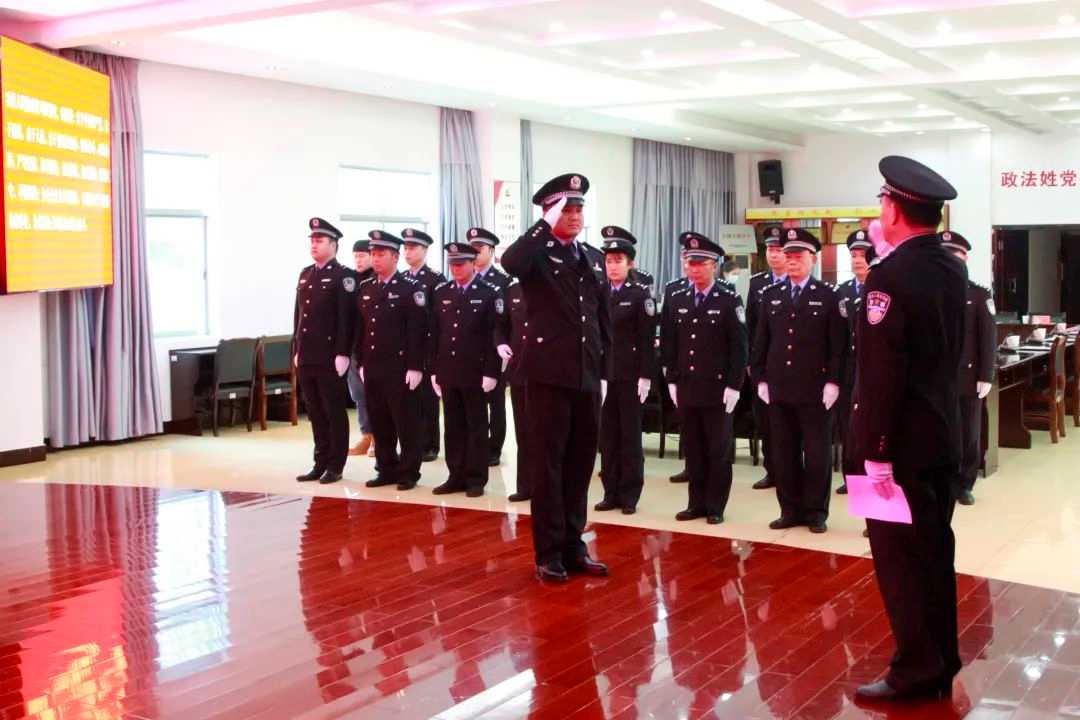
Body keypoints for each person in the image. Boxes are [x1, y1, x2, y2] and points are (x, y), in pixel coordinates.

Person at [850, 156, 966, 703]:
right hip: (939, 435)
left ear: (894, 210)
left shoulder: (890, 276)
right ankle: (941, 661)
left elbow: (883, 374)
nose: (880, 211)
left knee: (902, 565)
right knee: (935, 555)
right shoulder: (949, 266)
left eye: (882, 202)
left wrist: (875, 453)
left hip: (896, 448)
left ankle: (916, 671)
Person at [501, 173, 611, 582]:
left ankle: (573, 545)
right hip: (547, 375)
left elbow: (602, 320)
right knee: (548, 466)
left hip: (586, 374)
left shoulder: (592, 257)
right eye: (566, 209)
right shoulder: (536, 255)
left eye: (579, 208)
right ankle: (548, 553)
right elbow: (510, 262)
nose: (575, 215)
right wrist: (543, 226)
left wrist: (605, 372)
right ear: (549, 212)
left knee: (580, 464)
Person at [752, 228, 844, 534]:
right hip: (779, 389)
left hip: (815, 390)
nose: (792, 261)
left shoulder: (828, 295)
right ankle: (789, 510)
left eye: (798, 256)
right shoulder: (771, 295)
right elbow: (762, 341)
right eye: (788, 255)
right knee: (784, 454)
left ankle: (816, 512)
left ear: (813, 259)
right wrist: (760, 377)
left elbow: (838, 345)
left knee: (817, 455)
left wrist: (834, 382)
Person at [661, 232, 747, 524]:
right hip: (687, 385)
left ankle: (715, 506)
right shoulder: (677, 297)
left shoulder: (728, 299)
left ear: (714, 265)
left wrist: (734, 385)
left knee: (717, 450)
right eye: (690, 263)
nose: (694, 269)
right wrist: (671, 379)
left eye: (701, 263)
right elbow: (670, 342)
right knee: (693, 449)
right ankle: (695, 503)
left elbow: (739, 347)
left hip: (718, 388)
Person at [354, 230, 427, 491]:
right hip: (373, 367)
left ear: (395, 257)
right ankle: (385, 468)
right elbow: (360, 329)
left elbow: (417, 331)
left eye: (380, 254)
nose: (375, 258)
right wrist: (361, 362)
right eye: (373, 254)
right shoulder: (366, 288)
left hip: (400, 367)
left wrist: (416, 366)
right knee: (380, 421)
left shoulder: (410, 288)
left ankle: (409, 472)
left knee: (405, 423)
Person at [428, 242, 502, 498]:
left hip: (475, 371)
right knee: (453, 426)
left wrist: (492, 372)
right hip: (449, 370)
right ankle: (455, 475)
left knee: (476, 426)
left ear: (472, 263)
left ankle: (476, 478)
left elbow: (494, 336)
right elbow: (435, 333)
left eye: (461, 264)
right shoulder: (442, 292)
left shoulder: (489, 293)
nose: (456, 269)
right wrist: (434, 369)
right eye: (453, 264)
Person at [595, 226, 657, 516]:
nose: (613, 266)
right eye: (609, 261)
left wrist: (645, 376)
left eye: (618, 260)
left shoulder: (640, 295)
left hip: (631, 376)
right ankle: (610, 491)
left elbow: (646, 340)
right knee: (607, 437)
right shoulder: (598, 293)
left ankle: (630, 494)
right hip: (604, 376)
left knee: (630, 437)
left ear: (630, 263)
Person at [294, 217, 356, 485]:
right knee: (315, 412)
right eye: (312, 240)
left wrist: (343, 352)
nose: (314, 245)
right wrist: (297, 347)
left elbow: (346, 319)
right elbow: (299, 315)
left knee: (333, 411)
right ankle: (319, 461)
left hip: (330, 356)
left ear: (333, 245)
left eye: (319, 240)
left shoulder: (344, 276)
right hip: (307, 354)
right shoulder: (306, 274)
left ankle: (335, 464)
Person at [940, 231, 994, 507]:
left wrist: (986, 375)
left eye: (955, 255)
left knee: (968, 433)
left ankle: (964, 483)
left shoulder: (978, 294)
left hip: (968, 376)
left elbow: (987, 338)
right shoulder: (930, 292)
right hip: (936, 379)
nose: (950, 260)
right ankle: (942, 480)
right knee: (940, 432)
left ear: (965, 258)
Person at [746, 225, 788, 491]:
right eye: (770, 249)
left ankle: (790, 471)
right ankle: (772, 470)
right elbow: (750, 325)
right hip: (764, 363)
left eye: (778, 249)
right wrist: (751, 361)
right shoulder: (757, 283)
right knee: (765, 420)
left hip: (792, 363)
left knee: (788, 421)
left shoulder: (799, 281)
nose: (773, 254)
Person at [835, 229, 875, 495]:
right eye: (854, 255)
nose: (858, 260)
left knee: (871, 427)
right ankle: (851, 478)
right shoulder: (842, 291)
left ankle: (872, 480)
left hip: (873, 371)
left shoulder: (882, 287)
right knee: (847, 426)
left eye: (863, 255)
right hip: (847, 371)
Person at [402, 228, 446, 463]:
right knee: (409, 401)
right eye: (405, 247)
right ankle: (413, 443)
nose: (407, 252)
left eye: (412, 248)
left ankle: (430, 444)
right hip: (406, 348)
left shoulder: (435, 279)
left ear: (425, 250)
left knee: (428, 400)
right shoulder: (402, 278)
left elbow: (439, 317)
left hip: (428, 347)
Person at [469, 227, 512, 466]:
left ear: (491, 251)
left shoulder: (503, 281)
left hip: (495, 350)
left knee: (495, 403)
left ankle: (494, 448)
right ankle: (476, 445)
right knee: (473, 402)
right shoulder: (466, 277)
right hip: (470, 352)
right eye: (472, 248)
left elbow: (505, 320)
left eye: (480, 248)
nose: (475, 252)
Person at [495, 276, 531, 502]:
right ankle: (525, 486)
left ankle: (548, 487)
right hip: (519, 370)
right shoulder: (512, 289)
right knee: (523, 432)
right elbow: (501, 324)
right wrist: (500, 342)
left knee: (547, 434)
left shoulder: (553, 286)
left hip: (547, 371)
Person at [662, 253, 692, 485]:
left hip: (711, 372)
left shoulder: (725, 291)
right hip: (682, 369)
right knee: (687, 423)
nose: (689, 264)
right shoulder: (674, 289)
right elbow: (667, 331)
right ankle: (690, 466)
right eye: (686, 257)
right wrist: (667, 365)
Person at [347, 239, 375, 458]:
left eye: (362, 255)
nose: (358, 260)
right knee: (358, 394)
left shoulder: (377, 280)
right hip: (353, 346)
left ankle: (379, 438)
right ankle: (366, 434)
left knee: (374, 394)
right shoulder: (350, 280)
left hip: (373, 347)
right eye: (355, 256)